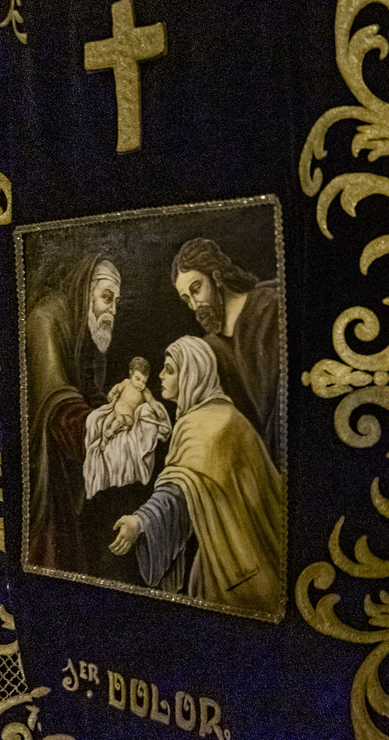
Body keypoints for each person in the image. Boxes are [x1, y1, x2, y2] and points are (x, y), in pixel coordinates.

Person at [110, 336, 284, 614]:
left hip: (237, 565)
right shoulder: (227, 416)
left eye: (169, 369)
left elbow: (178, 495)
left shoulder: (206, 425)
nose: (160, 376)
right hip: (245, 556)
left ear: (192, 373)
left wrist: (139, 522)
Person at [26, 254, 121, 572]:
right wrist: (104, 428)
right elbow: (57, 406)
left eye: (116, 301)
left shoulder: (84, 329)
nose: (111, 309)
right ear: (85, 290)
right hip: (49, 469)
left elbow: (90, 391)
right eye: (106, 297)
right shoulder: (46, 320)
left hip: (72, 472)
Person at [172, 238, 281, 461]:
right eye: (186, 299)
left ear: (217, 277)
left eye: (196, 289)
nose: (195, 305)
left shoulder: (270, 308)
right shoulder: (211, 346)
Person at [82, 356, 171, 502]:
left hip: (127, 418)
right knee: (106, 421)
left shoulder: (145, 392)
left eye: (144, 381)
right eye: (138, 379)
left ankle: (110, 433)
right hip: (115, 410)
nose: (141, 384)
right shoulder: (125, 383)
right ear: (131, 374)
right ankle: (105, 436)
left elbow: (152, 402)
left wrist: (158, 410)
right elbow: (114, 391)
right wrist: (111, 396)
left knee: (121, 421)